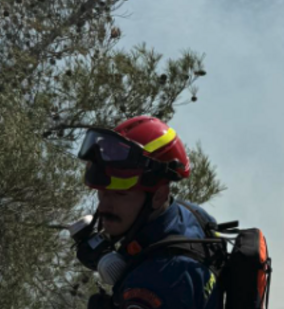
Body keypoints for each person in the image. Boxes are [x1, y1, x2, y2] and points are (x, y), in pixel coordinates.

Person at [76, 115, 220, 309]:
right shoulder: (192, 214)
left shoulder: (159, 282)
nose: (103, 206)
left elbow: (163, 283)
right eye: (102, 193)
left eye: (119, 195)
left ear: (159, 195)